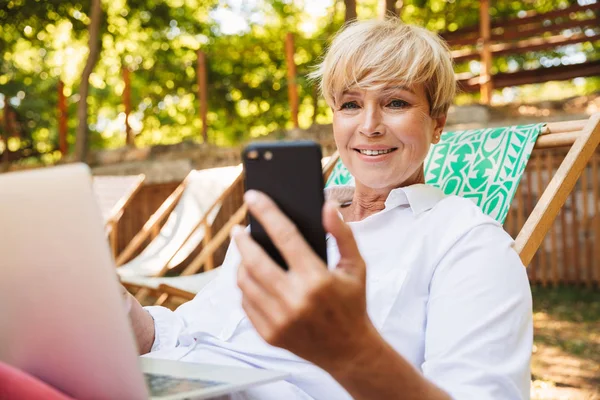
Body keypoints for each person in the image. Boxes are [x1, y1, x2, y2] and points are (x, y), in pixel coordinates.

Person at [126, 18, 532, 399]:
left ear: (437, 122)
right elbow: (192, 331)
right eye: (351, 105)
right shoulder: (285, 217)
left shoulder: (466, 243)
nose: (369, 125)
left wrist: (351, 351)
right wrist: (122, 315)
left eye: (395, 103)